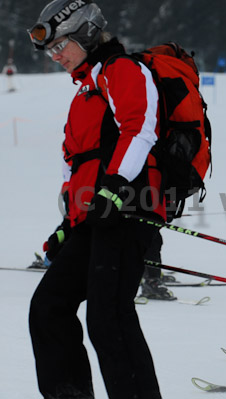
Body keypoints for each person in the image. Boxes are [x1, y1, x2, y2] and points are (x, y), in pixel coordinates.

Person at [27, 1, 164, 398]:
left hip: (127, 208)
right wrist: (67, 227)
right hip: (95, 215)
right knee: (49, 307)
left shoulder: (122, 70)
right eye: (50, 51)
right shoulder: (85, 93)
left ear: (86, 34)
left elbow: (140, 128)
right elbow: (75, 170)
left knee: (109, 318)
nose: (56, 56)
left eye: (61, 45)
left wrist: (115, 186)